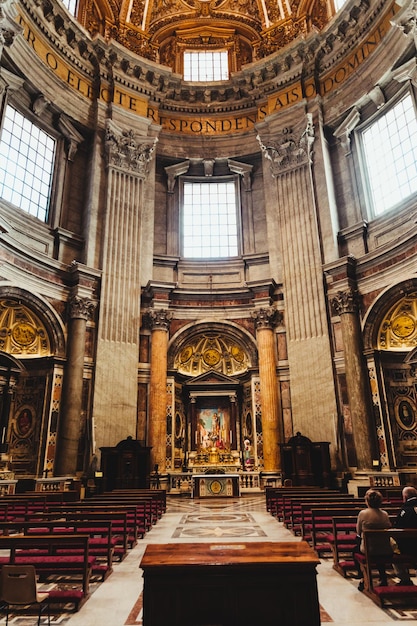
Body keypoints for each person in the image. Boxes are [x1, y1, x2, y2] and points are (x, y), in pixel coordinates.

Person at [355, 489, 392, 591]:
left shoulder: (363, 513)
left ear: (367, 501)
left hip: (369, 549)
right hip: (385, 549)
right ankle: (383, 576)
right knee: (378, 547)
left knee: (355, 550)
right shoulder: (385, 514)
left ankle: (363, 577)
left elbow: (358, 532)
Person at [393, 486, 417, 585]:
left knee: (393, 550)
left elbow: (398, 527)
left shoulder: (405, 510)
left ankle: (404, 578)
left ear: (405, 497)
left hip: (410, 545)